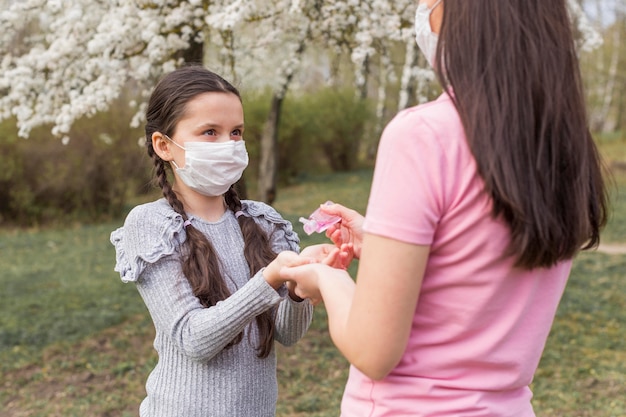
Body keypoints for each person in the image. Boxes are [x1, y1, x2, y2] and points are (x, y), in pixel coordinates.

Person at [281, 1, 609, 416]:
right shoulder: (560, 145)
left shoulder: (422, 135)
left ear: (445, 15)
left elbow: (373, 350)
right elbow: (478, 259)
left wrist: (326, 278)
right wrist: (387, 243)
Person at [110, 65, 326, 417]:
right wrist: (268, 280)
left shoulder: (261, 221)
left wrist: (299, 290)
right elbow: (193, 339)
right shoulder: (152, 225)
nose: (228, 145)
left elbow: (286, 333)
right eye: (210, 132)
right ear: (164, 145)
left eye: (236, 132)